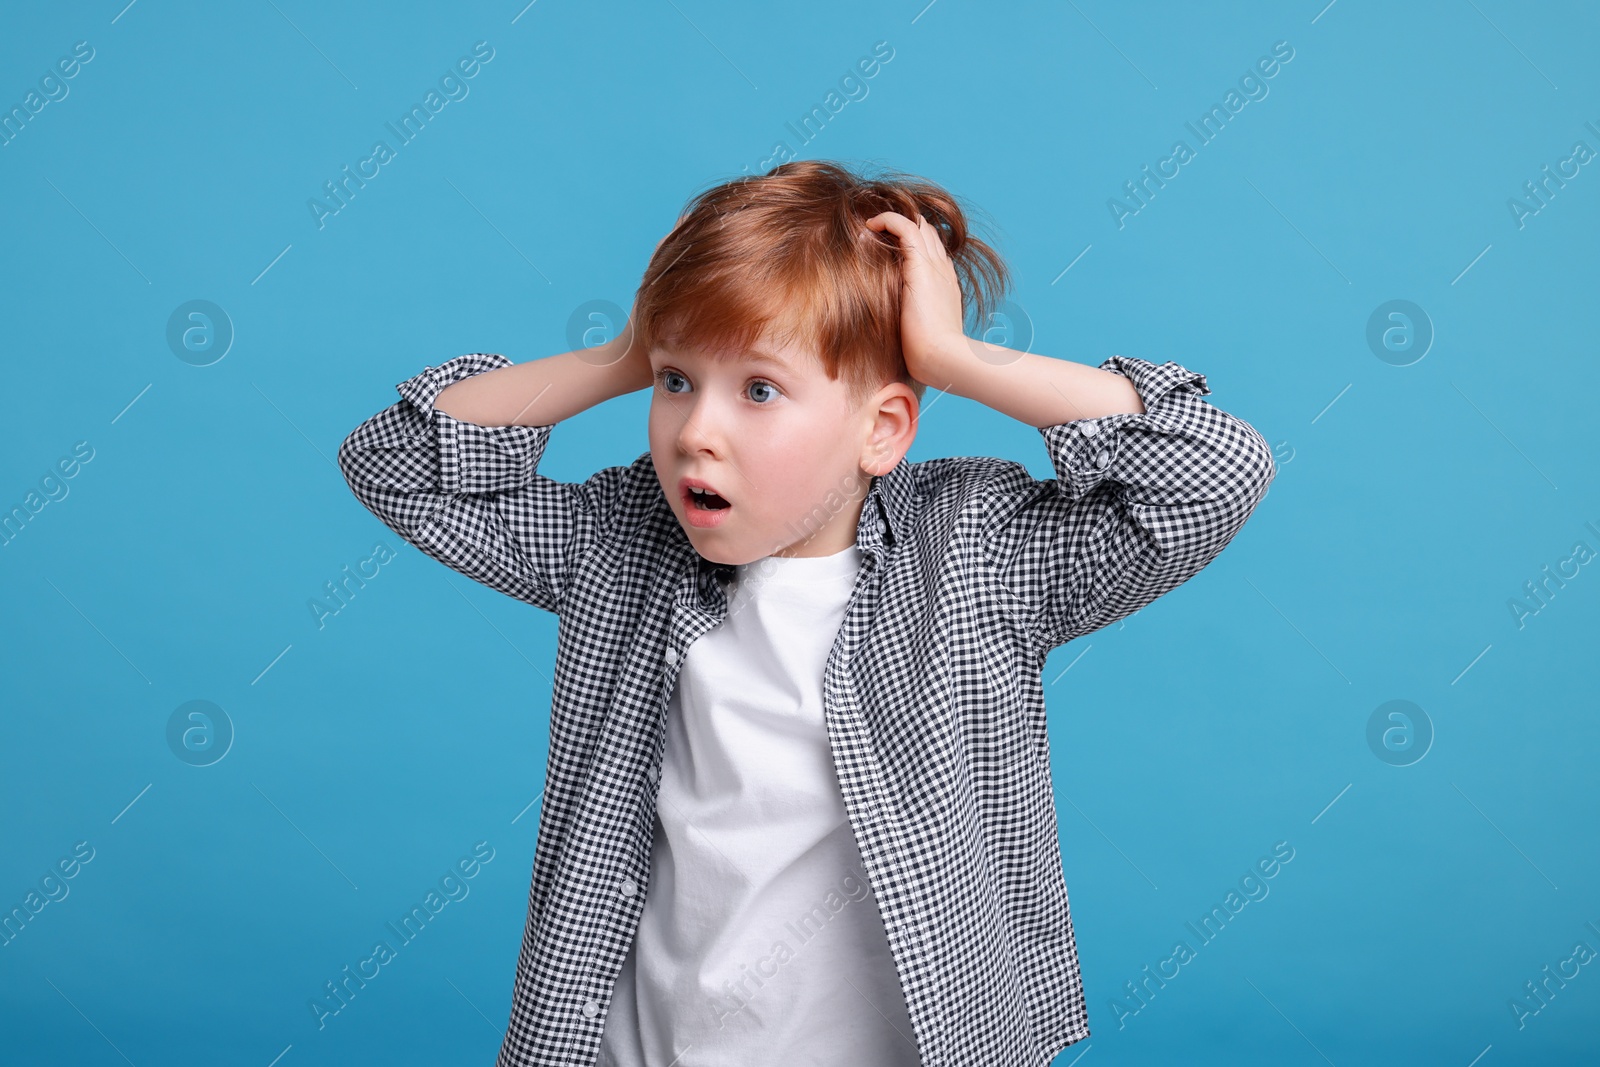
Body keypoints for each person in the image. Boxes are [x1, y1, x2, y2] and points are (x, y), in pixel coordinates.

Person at [337, 159, 1276, 1067]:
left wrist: (956, 356)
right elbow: (396, 462)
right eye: (675, 383)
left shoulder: (978, 554)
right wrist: (623, 354)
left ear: (883, 429)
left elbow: (1214, 469)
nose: (696, 431)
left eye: (758, 389)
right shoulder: (619, 543)